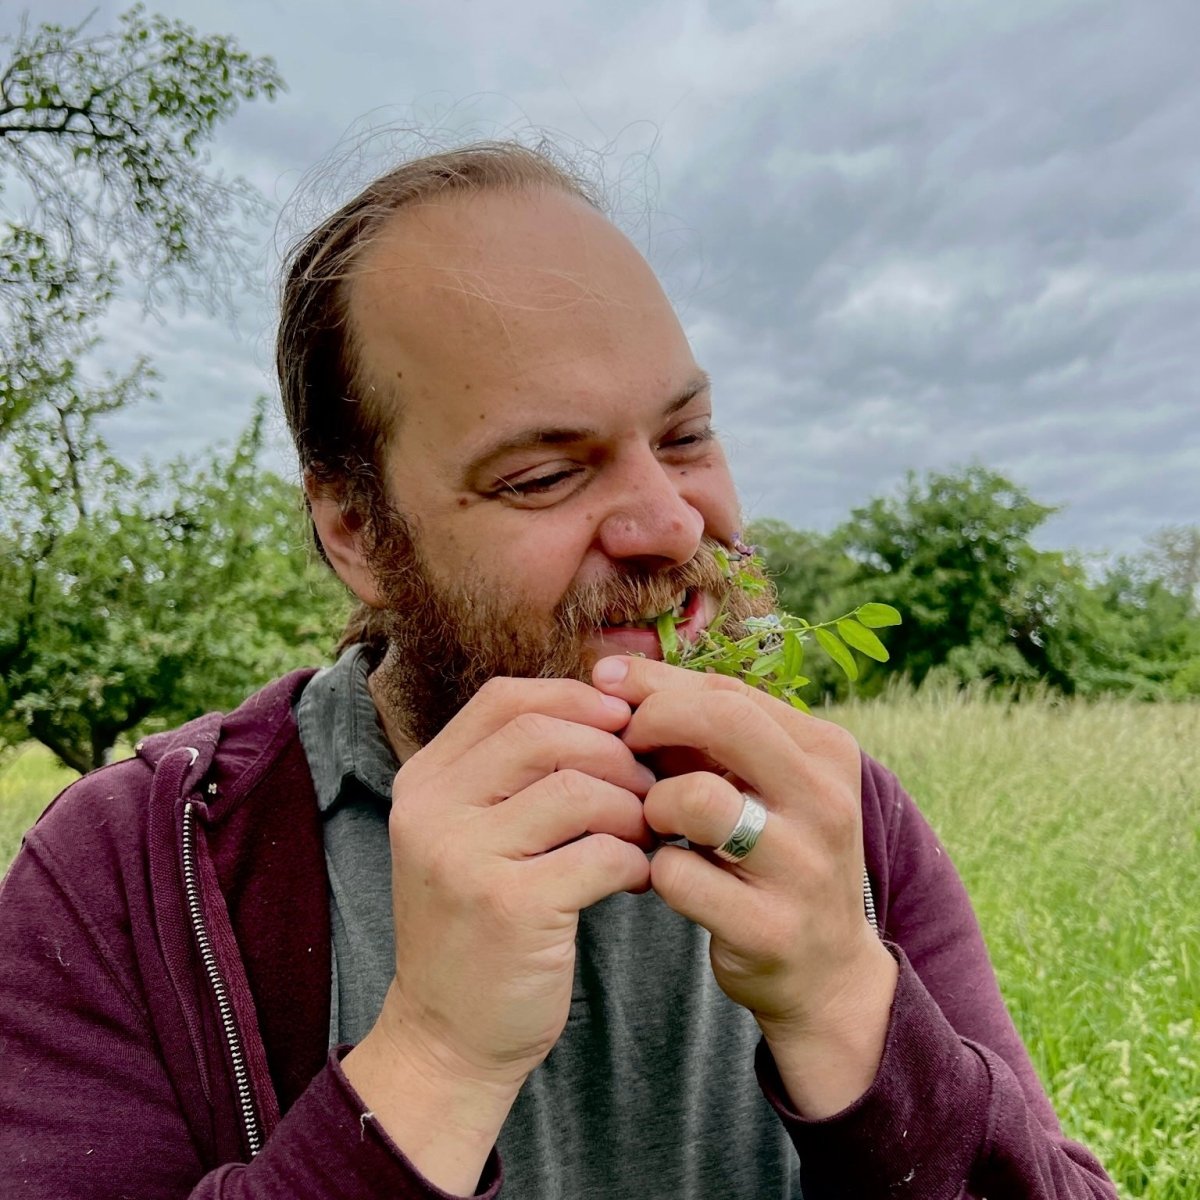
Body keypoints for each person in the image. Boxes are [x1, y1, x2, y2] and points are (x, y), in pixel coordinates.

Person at [0, 142, 1116, 1199]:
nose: (671, 525)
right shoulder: (138, 873)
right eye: (541, 476)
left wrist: (846, 1000)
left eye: (686, 437)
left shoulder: (840, 823)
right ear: (357, 532)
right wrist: (433, 1060)